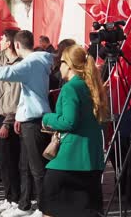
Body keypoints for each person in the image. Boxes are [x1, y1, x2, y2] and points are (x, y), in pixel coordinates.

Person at [0, 29, 54, 217]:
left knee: (37, 169)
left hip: (35, 121)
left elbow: (8, 72)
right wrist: (20, 117)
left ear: (16, 45)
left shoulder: (31, 63)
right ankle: (25, 204)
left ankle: (43, 207)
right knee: (27, 166)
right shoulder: (36, 62)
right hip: (27, 119)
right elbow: (25, 94)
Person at [40, 45, 107, 217]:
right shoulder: (91, 86)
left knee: (49, 205)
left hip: (69, 159)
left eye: (60, 62)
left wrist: (47, 118)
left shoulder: (70, 88)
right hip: (91, 158)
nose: (57, 66)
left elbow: (69, 121)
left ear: (68, 64)